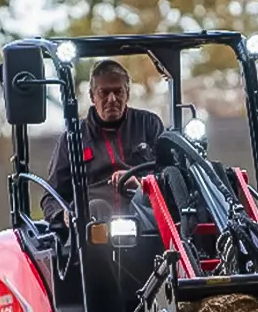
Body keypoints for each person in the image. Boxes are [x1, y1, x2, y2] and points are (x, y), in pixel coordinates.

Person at [40, 58, 165, 225]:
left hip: (145, 220)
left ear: (127, 93)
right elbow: (51, 196)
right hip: (92, 230)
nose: (112, 99)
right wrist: (63, 214)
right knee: (96, 208)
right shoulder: (74, 137)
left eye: (118, 92)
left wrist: (140, 184)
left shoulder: (149, 124)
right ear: (92, 96)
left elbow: (170, 176)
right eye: (104, 93)